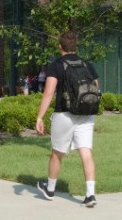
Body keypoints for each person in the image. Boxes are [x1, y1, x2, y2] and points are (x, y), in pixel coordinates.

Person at [34, 31, 100, 208]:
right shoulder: (87, 65)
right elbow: (95, 88)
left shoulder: (56, 66)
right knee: (86, 152)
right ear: (75, 47)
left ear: (60, 47)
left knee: (57, 153)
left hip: (64, 113)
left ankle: (50, 189)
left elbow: (49, 93)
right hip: (86, 115)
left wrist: (40, 117)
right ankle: (90, 194)